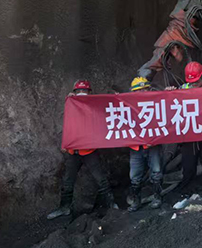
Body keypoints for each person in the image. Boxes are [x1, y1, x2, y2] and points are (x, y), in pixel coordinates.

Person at [47, 80, 115, 219]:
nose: (81, 93)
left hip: (89, 151)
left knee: (101, 179)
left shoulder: (94, 107)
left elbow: (105, 115)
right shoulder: (71, 105)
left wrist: (116, 99)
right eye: (79, 91)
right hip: (74, 151)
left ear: (90, 93)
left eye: (84, 91)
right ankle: (64, 207)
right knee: (67, 181)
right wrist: (65, 144)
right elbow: (68, 126)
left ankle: (111, 205)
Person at [167, 62, 202, 198]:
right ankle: (187, 191)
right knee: (188, 164)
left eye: (196, 81)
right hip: (190, 133)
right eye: (191, 82)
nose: (194, 84)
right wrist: (169, 93)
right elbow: (171, 107)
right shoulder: (183, 88)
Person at [128, 76, 164, 211]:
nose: (143, 93)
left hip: (153, 145)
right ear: (133, 92)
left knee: (156, 172)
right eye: (139, 90)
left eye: (145, 89)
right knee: (135, 176)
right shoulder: (126, 106)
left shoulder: (156, 104)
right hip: (136, 147)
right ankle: (136, 201)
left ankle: (157, 197)